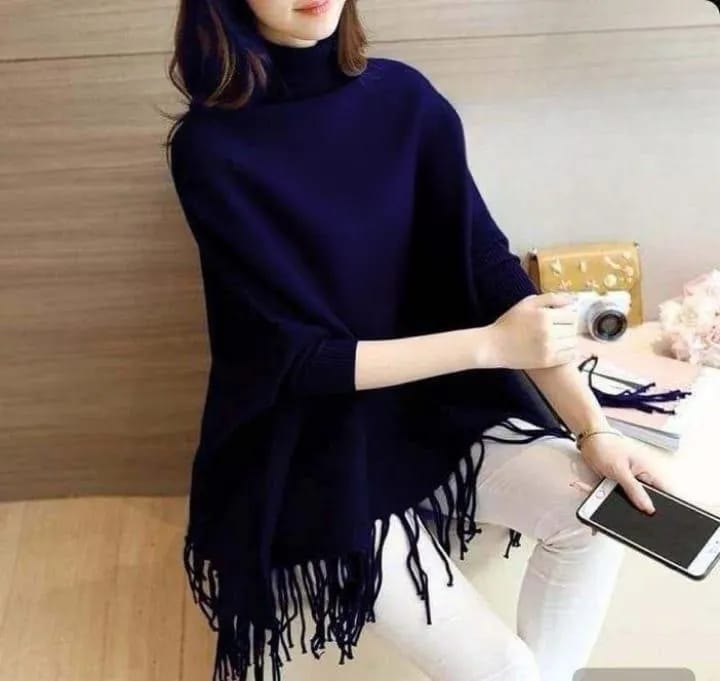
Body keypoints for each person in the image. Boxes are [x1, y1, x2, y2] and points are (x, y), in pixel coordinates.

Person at [164, 2, 672, 680]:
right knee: (508, 672)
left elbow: (487, 267)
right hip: (311, 451)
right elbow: (297, 360)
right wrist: (490, 346)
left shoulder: (405, 98)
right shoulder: (211, 148)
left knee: (594, 519)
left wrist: (593, 430)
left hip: (437, 416)